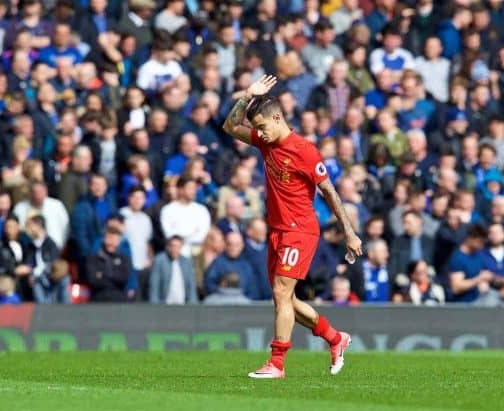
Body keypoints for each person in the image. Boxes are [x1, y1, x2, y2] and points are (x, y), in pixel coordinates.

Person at [222, 75, 362, 378]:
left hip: (300, 230)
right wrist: (247, 96)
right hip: (277, 229)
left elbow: (330, 192)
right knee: (284, 298)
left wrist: (349, 232)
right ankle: (336, 339)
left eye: (262, 126)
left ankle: (277, 363)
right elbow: (230, 127)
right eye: (257, 128)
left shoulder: (305, 151)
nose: (259, 133)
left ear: (277, 117)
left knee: (281, 291)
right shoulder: (265, 141)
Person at [448, 224, 504, 305]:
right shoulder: (458, 258)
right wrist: (478, 279)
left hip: (479, 300)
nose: (482, 245)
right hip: (464, 305)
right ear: (470, 238)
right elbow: (456, 287)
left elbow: (481, 275)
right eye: (480, 241)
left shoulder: (478, 255)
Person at [149, 235, 198, 304]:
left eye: (178, 247)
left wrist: (193, 307)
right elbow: (154, 287)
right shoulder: (160, 261)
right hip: (165, 305)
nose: (175, 249)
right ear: (168, 247)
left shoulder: (187, 262)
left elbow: (191, 287)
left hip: (183, 304)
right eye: (173, 246)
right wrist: (155, 307)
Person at [86, 227, 131, 302]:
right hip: (98, 299)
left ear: (119, 241)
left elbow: (124, 279)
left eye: (114, 239)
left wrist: (103, 274)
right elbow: (93, 280)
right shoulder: (93, 259)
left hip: (119, 300)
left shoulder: (124, 259)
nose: (111, 242)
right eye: (109, 238)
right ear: (104, 239)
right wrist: (114, 275)